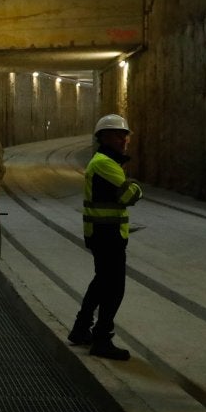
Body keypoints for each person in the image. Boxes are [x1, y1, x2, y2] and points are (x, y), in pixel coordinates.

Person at [69, 114, 143, 360]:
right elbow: (128, 195)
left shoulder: (106, 162)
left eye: (125, 134)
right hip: (106, 235)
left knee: (101, 282)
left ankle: (81, 329)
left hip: (103, 233)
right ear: (103, 137)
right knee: (114, 288)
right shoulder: (105, 163)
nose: (124, 139)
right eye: (118, 134)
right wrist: (134, 186)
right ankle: (102, 339)